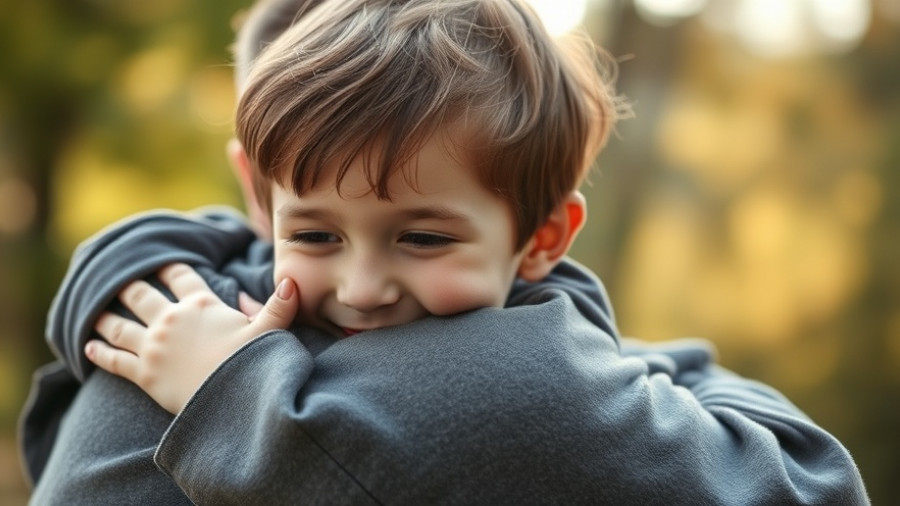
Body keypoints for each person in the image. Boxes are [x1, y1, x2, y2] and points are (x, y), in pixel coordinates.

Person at [20, 0, 869, 504]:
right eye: (315, 235)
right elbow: (812, 478)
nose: (363, 287)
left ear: (544, 241)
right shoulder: (164, 360)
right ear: (264, 200)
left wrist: (230, 387)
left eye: (422, 238)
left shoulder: (178, 323)